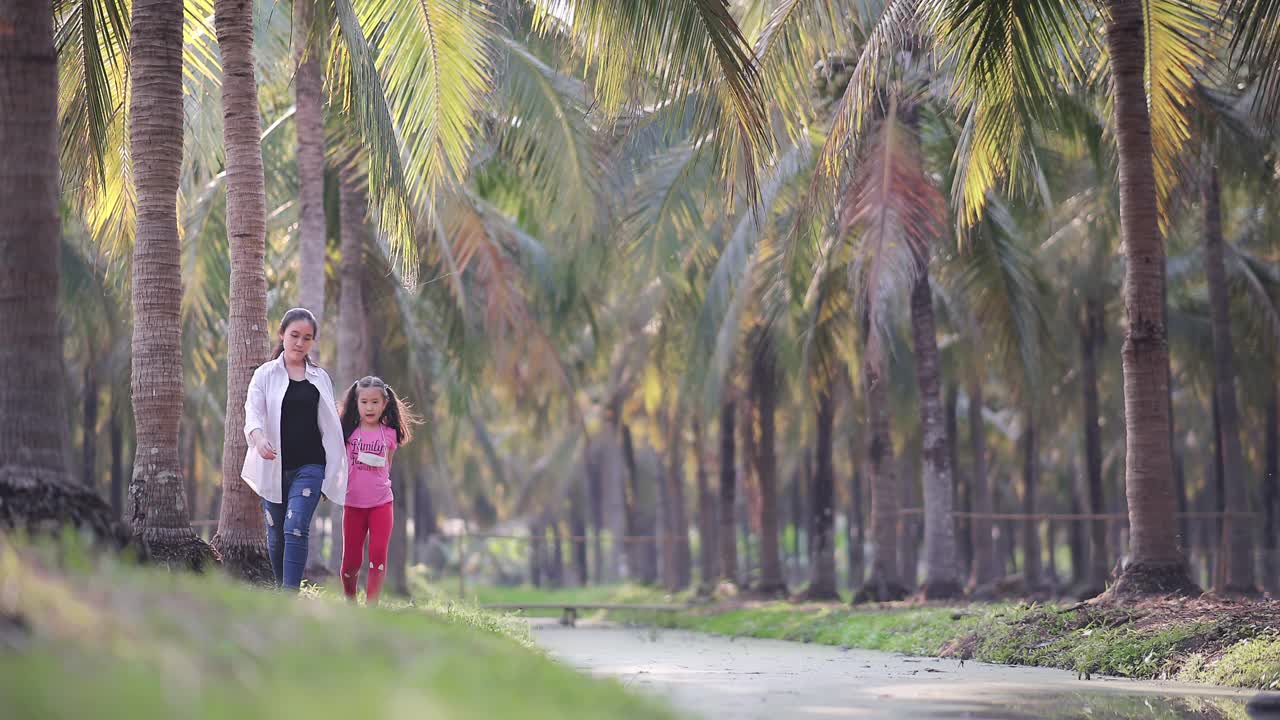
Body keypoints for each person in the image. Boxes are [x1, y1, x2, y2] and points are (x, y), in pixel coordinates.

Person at [242, 308, 348, 590]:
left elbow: (330, 425)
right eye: (295, 335)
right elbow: (252, 412)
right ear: (282, 335)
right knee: (276, 533)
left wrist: (332, 473)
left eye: (307, 338)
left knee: (296, 526)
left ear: (312, 342)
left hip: (311, 467)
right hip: (273, 466)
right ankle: (281, 590)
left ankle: (291, 596)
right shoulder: (264, 375)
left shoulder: (319, 378)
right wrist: (258, 437)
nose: (300, 343)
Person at [338, 376, 419, 604]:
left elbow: (387, 465)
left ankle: (372, 605)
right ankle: (350, 602)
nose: (369, 407)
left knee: (377, 556)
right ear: (356, 403)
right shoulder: (348, 433)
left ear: (384, 404)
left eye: (375, 402)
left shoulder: (390, 434)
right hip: (352, 504)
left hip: (382, 504)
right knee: (351, 561)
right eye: (364, 402)